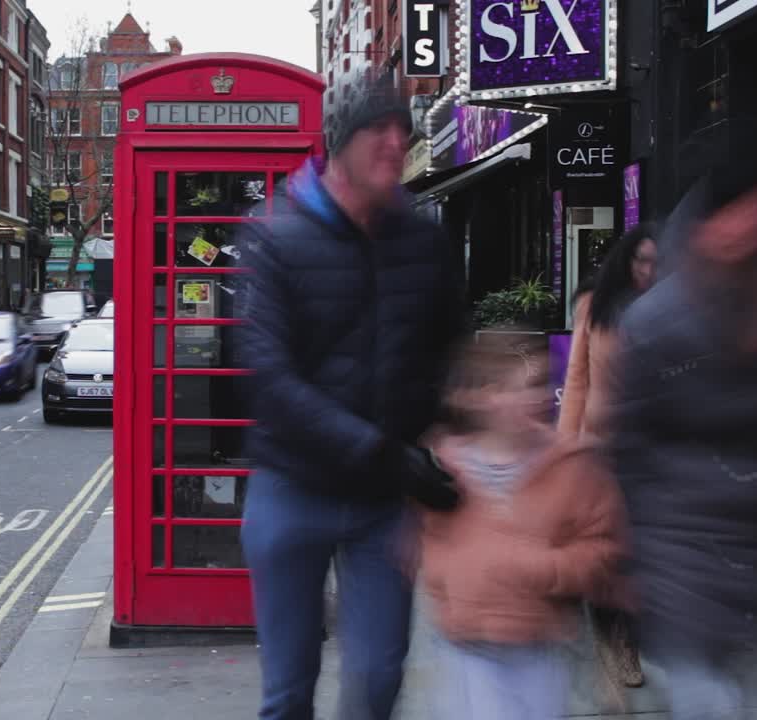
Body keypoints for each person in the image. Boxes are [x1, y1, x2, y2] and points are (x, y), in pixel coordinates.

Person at [238, 72, 466, 720]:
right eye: (378, 129)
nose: (397, 142)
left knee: (377, 677)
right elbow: (271, 378)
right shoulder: (273, 236)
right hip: (292, 487)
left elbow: (452, 348)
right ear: (339, 139)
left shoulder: (424, 239)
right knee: (288, 691)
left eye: (403, 129)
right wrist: (387, 454)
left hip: (381, 504)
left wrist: (450, 438)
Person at [607, 144, 757, 718]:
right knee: (705, 695)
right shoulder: (655, 321)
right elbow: (625, 445)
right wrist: (623, 559)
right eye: (749, 211)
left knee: (734, 689)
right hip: (676, 536)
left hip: (751, 537)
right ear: (713, 219)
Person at [421, 337, 630, 720]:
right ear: (484, 396)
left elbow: (604, 548)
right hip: (468, 648)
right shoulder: (444, 467)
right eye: (525, 386)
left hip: (539, 645)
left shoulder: (573, 466)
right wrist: (457, 578)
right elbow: (423, 545)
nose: (541, 396)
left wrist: (544, 567)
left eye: (544, 383)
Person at [557, 223, 659, 694]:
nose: (649, 271)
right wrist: (567, 446)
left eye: (657, 262)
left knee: (642, 552)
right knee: (608, 548)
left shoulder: (670, 311)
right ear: (624, 260)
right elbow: (577, 378)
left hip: (655, 452)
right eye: (641, 260)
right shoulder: (595, 306)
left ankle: (629, 636)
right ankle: (612, 634)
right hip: (602, 448)